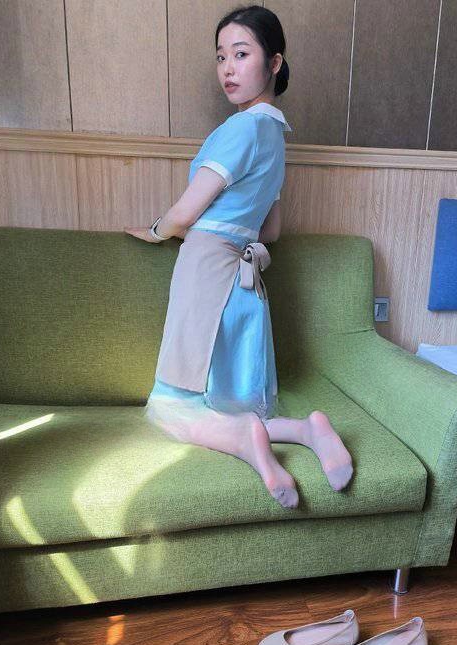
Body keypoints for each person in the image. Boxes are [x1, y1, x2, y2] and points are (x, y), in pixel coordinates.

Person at [125, 4, 353, 509]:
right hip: (246, 278)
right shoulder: (275, 137)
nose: (227, 68)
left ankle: (244, 444)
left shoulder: (241, 129)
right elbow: (272, 230)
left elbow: (187, 211)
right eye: (221, 56)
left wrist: (158, 231)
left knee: (169, 406)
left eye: (241, 54)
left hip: (208, 270)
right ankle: (309, 430)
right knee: (230, 400)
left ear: (275, 62)